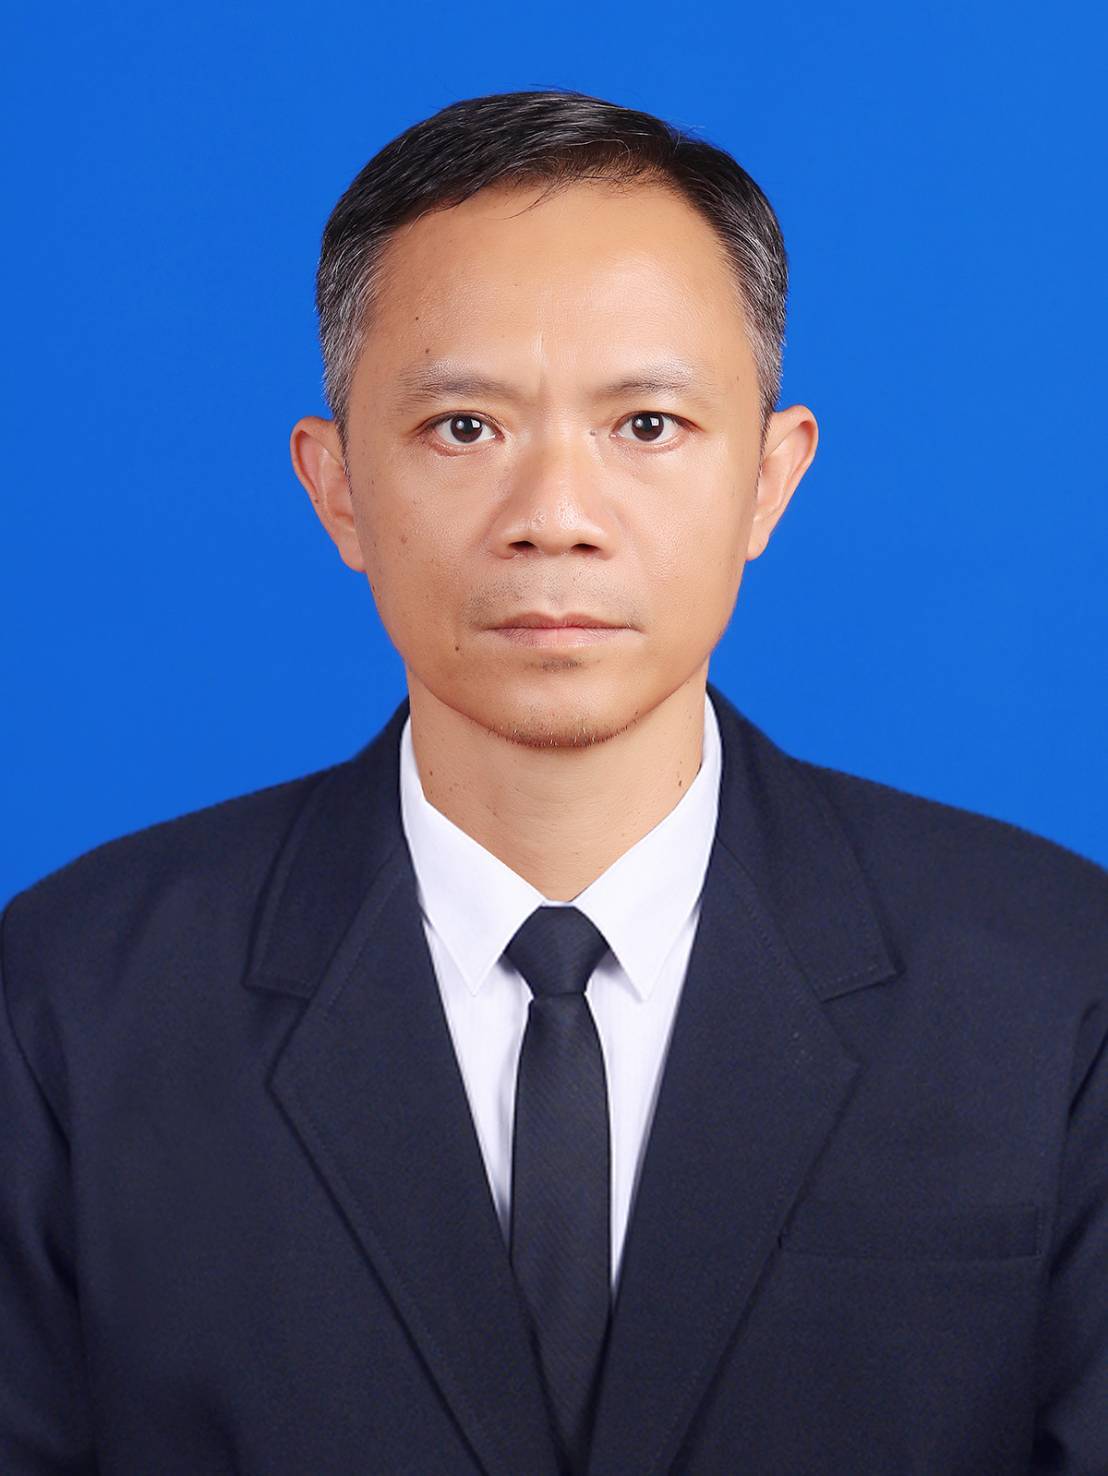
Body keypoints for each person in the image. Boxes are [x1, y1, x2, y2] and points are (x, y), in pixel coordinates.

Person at [1, 87, 1105, 1476]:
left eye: (646, 425)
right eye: (465, 427)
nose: (556, 520)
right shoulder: (67, 1002)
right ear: (337, 487)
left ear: (770, 480)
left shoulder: (1059, 988)